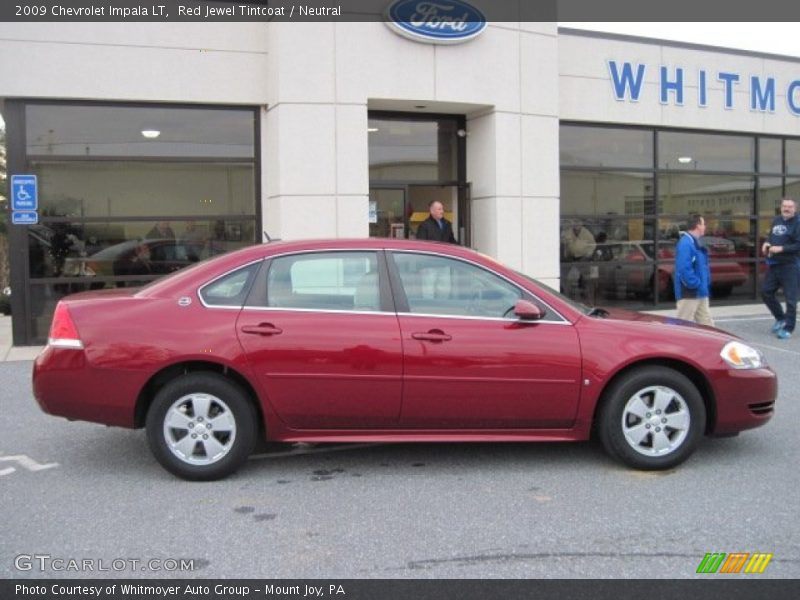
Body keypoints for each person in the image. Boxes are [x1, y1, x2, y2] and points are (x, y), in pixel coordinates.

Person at [761, 198, 800, 339]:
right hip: (774, 264)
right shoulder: (777, 220)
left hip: (790, 265)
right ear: (781, 207)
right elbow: (771, 236)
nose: (787, 208)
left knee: (791, 299)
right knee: (766, 292)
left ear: (795, 208)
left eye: (790, 206)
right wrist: (766, 243)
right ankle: (780, 318)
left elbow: (798, 245)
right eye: (784, 206)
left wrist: (781, 248)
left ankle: (788, 328)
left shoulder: (798, 222)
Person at [674, 214, 714, 327]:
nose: (705, 226)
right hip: (690, 293)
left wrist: (702, 284)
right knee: (684, 327)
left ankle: (709, 345)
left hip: (700, 292)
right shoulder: (686, 244)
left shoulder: (693, 243)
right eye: (703, 224)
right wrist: (695, 283)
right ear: (698, 226)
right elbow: (683, 269)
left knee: (707, 325)